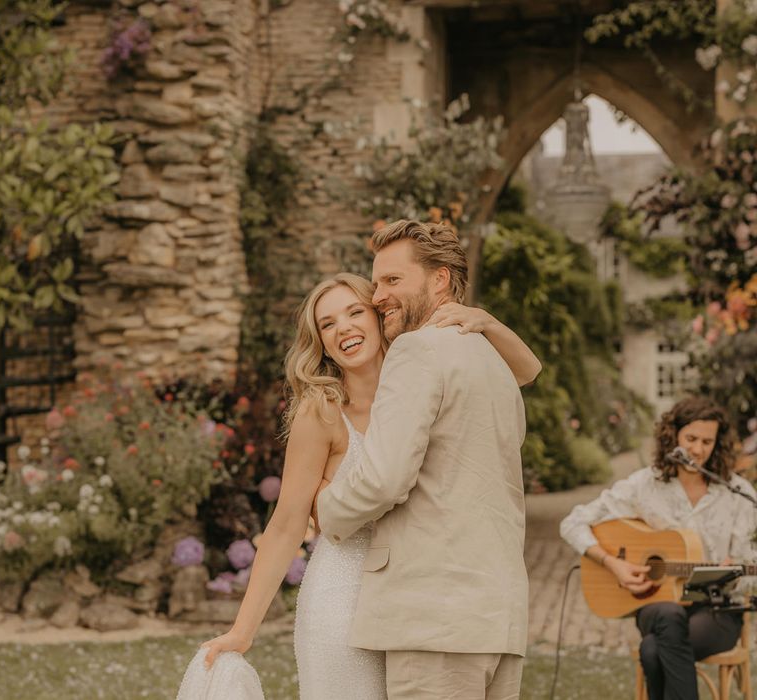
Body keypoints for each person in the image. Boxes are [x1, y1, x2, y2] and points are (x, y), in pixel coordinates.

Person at [199, 246, 541, 697]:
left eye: (355, 311)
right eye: (327, 324)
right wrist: (243, 631)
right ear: (318, 340)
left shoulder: (424, 375)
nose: (343, 328)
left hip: (419, 603)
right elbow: (285, 526)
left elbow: (525, 370)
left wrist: (486, 320)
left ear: (378, 316)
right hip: (343, 600)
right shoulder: (320, 412)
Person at [316, 220, 533, 700]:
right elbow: (529, 370)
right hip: (498, 617)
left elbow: (386, 479)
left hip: (434, 620)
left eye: (393, 280)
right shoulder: (496, 362)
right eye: (376, 283)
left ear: (439, 280)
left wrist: (327, 510)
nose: (378, 296)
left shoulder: (415, 351)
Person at [560, 396, 757, 700]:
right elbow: (572, 523)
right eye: (690, 438)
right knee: (667, 614)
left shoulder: (737, 492)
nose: (697, 449)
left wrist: (732, 572)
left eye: (707, 441)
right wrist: (614, 564)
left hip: (716, 609)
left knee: (652, 650)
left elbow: (749, 574)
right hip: (657, 603)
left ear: (717, 443)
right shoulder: (645, 485)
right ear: (673, 436)